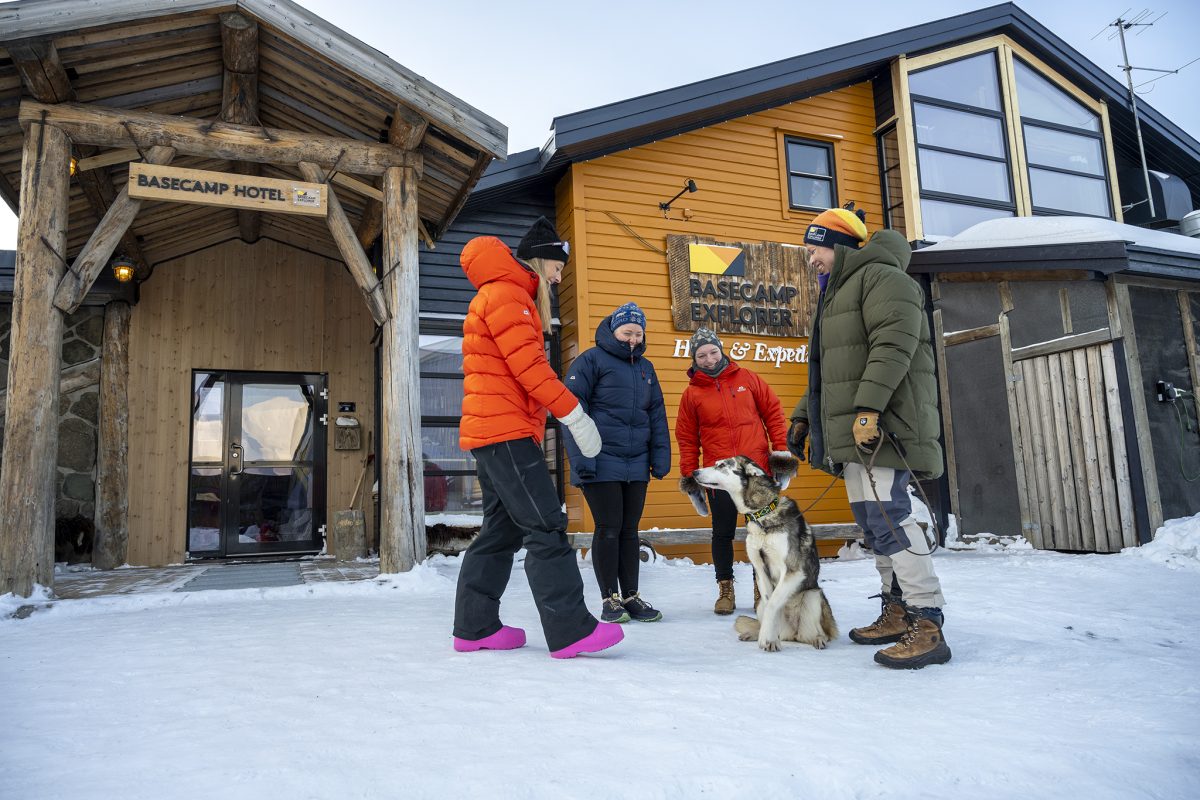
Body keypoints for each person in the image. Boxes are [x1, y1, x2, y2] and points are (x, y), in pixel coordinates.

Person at [451, 216, 624, 659]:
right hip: (506, 432)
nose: (559, 275)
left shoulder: (500, 294)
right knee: (546, 525)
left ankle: (475, 628)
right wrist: (575, 415)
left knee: (501, 530)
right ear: (539, 257)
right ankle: (572, 631)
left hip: (495, 432)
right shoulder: (510, 296)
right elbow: (531, 371)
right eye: (557, 265)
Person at [787, 204, 950, 669]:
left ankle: (928, 621)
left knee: (892, 518)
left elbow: (892, 346)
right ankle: (896, 610)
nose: (811, 259)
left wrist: (868, 409)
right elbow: (832, 371)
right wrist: (804, 417)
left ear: (837, 245)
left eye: (815, 249)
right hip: (861, 433)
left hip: (885, 427)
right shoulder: (838, 292)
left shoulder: (884, 279)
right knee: (874, 524)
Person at [563, 302, 671, 623]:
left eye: (638, 333)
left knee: (629, 530)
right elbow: (571, 410)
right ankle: (609, 598)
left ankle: (631, 596)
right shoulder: (591, 361)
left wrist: (659, 456)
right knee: (608, 528)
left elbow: (656, 415)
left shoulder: (646, 369)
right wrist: (582, 460)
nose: (633, 339)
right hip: (599, 461)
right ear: (613, 330)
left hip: (635, 464)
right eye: (627, 332)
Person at [676, 327, 793, 615]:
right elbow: (687, 439)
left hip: (755, 474)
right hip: (720, 478)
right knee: (722, 533)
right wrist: (692, 478)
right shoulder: (691, 395)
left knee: (761, 532)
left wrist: (780, 454)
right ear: (694, 359)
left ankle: (761, 589)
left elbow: (774, 415)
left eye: (713, 351)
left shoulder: (748, 379)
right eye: (701, 355)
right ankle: (725, 589)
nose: (708, 358)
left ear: (721, 350)